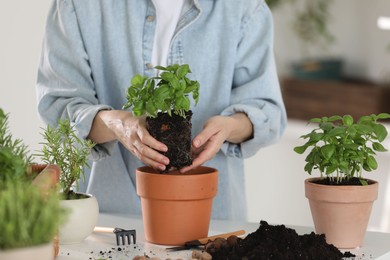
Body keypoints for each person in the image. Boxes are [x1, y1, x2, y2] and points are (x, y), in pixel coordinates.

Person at [36, 0, 287, 220]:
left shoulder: (243, 7)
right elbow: (58, 105)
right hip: (108, 219)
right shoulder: (77, 5)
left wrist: (229, 127)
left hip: (211, 218)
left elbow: (267, 112)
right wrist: (119, 124)